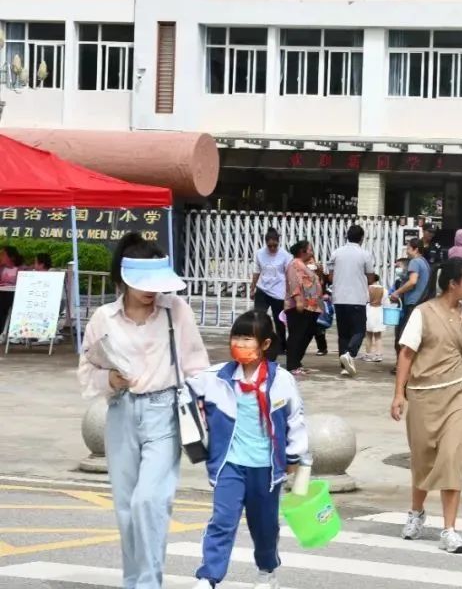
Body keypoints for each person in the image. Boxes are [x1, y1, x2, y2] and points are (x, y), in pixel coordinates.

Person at [77, 232, 210, 589]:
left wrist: (208, 406)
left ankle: (149, 584)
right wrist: (112, 380)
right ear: (124, 279)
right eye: (143, 284)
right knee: (125, 508)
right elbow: (87, 370)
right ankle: (134, 582)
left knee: (149, 501)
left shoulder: (175, 311)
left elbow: (197, 364)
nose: (151, 292)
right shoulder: (103, 318)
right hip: (120, 414)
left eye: (156, 284)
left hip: (165, 413)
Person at [188, 311, 310, 589]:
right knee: (222, 521)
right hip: (229, 464)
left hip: (267, 469)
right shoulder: (215, 377)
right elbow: (182, 393)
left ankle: (267, 573)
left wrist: (294, 455)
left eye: (247, 338)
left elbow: (296, 419)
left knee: (264, 527)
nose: (240, 344)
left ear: (265, 344)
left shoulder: (281, 380)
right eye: (236, 337)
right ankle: (209, 577)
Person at [390, 257, 462, 555]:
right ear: (452, 284)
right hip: (423, 394)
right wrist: (399, 394)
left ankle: (449, 529)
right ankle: (417, 511)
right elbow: (406, 355)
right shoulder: (423, 313)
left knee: (451, 457)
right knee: (423, 458)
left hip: (459, 393)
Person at [327, 225, 376, 378]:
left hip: (339, 298)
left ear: (347, 236)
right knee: (359, 330)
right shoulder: (365, 255)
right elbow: (370, 277)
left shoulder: (337, 253)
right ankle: (350, 353)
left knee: (343, 333)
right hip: (357, 298)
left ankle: (344, 365)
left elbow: (330, 276)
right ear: (362, 238)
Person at [390, 239, 432, 375]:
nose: (406, 251)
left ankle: (402, 366)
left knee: (403, 336)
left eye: (408, 248)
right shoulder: (425, 262)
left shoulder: (414, 262)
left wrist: (397, 292)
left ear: (415, 249)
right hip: (421, 303)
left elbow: (412, 281)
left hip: (412, 303)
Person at [283, 240, 323, 377]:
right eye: (310, 249)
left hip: (311, 306)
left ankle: (297, 362)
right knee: (297, 335)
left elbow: (315, 283)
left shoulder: (306, 266)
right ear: (303, 251)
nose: (312, 252)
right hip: (299, 306)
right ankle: (292, 365)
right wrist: (298, 299)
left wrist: (319, 271)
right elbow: (294, 281)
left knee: (307, 333)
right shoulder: (295, 264)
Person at [250, 228, 289, 342]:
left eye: (274, 246)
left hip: (278, 292)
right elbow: (257, 271)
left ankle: (282, 345)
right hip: (262, 290)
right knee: (258, 317)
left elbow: (288, 274)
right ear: (266, 243)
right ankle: (258, 341)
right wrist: (252, 288)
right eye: (269, 246)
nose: (272, 248)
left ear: (278, 243)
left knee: (279, 320)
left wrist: (289, 293)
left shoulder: (285, 255)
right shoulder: (260, 253)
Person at [362, 275, 387, 363]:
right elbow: (385, 302)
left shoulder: (367, 289)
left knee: (368, 335)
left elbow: (366, 299)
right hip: (379, 311)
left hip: (369, 311)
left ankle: (368, 355)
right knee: (378, 335)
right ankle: (378, 355)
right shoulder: (383, 289)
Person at [0, 246, 22, 335]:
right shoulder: (1, 268)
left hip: (14, 295)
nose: (1, 257)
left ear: (11, 257)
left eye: (4, 255)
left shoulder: (20, 269)